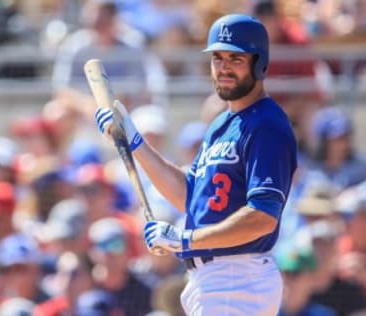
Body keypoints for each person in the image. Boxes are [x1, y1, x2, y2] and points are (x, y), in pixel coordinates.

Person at [95, 13, 297, 315]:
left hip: (237, 276)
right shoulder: (221, 124)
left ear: (259, 62)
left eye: (235, 58)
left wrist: (185, 239)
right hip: (212, 278)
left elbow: (263, 217)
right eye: (217, 58)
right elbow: (189, 198)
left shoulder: (267, 124)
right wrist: (135, 142)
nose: (224, 67)